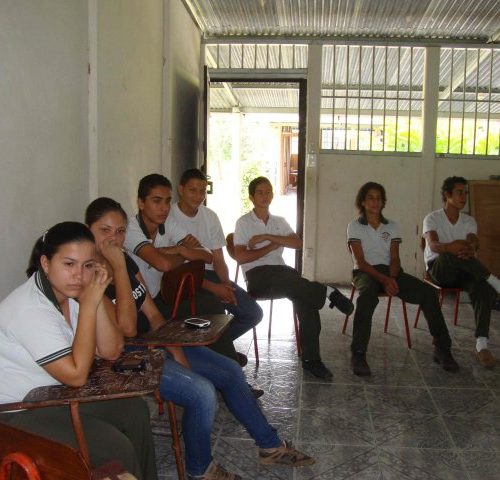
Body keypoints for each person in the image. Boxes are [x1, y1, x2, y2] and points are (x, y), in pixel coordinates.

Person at [86, 198, 315, 480]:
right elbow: (128, 330)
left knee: (230, 370)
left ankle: (270, 446)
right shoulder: (89, 274)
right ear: (88, 231)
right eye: (105, 230)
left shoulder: (126, 262)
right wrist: (119, 268)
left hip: (153, 344)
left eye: (120, 231)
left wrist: (175, 349)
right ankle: (201, 470)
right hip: (124, 358)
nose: (114, 238)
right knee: (202, 393)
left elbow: (154, 315)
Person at [0, 222, 157, 480]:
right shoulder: (29, 309)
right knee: (117, 447)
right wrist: (89, 304)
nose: (79, 275)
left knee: (134, 410)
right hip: (17, 414)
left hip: (53, 397)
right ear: (46, 263)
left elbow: (111, 350)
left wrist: (94, 298)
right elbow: (76, 376)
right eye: (69, 264)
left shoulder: (64, 296)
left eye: (87, 265)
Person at [233, 176, 354, 379]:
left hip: (283, 273)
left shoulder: (279, 221)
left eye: (268, 191)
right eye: (260, 192)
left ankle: (312, 360)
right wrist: (273, 246)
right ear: (252, 197)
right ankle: (327, 292)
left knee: (307, 302)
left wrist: (267, 237)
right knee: (298, 286)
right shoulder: (243, 222)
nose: (265, 196)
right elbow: (241, 256)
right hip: (258, 276)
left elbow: (297, 243)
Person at [123, 173, 239, 364]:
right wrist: (183, 254)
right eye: (157, 201)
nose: (164, 208)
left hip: (160, 297)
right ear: (141, 203)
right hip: (140, 308)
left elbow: (207, 255)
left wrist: (179, 250)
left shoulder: (167, 223)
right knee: (205, 308)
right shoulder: (130, 229)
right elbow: (163, 264)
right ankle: (219, 363)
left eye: (167, 201)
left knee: (210, 304)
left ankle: (227, 363)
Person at [347, 182, 458, 376]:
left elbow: (395, 257)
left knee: (428, 293)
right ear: (362, 202)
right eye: (370, 198)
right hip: (365, 272)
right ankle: (358, 353)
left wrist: (391, 278)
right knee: (366, 297)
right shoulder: (355, 226)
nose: (375, 202)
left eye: (379, 198)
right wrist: (384, 280)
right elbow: (360, 262)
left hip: (391, 271)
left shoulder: (392, 226)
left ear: (383, 202)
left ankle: (442, 348)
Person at [170, 168, 263, 344]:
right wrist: (213, 288)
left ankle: (216, 347)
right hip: (184, 278)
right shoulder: (169, 216)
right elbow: (172, 266)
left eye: (202, 191)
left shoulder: (210, 216)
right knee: (215, 314)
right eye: (192, 190)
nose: (198, 196)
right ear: (180, 189)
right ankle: (219, 349)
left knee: (253, 314)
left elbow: (218, 259)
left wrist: (226, 285)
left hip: (212, 274)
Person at [423, 176, 500, 368]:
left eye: (465, 193)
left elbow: (473, 241)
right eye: (459, 192)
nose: (464, 197)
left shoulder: (469, 221)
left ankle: (482, 345)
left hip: (463, 270)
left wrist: (471, 247)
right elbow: (433, 245)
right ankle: (494, 279)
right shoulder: (432, 218)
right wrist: (450, 247)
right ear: (447, 195)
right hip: (439, 269)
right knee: (449, 255)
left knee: (483, 289)